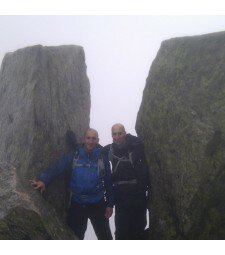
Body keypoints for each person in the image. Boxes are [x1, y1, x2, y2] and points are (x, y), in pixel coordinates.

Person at [30, 128, 113, 240]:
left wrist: (109, 204)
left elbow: (108, 181)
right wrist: (43, 180)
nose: (91, 141)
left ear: (97, 140)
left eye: (93, 139)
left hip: (97, 204)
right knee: (74, 238)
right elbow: (58, 167)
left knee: (105, 238)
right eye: (88, 138)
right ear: (84, 139)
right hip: (78, 204)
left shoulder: (102, 158)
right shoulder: (75, 155)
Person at [102, 123, 149, 240]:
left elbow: (144, 165)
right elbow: (90, 147)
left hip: (137, 195)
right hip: (121, 196)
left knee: (138, 230)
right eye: (114, 134)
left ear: (125, 133)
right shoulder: (108, 150)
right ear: (111, 136)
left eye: (120, 133)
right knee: (122, 231)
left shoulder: (135, 145)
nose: (117, 136)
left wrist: (143, 189)